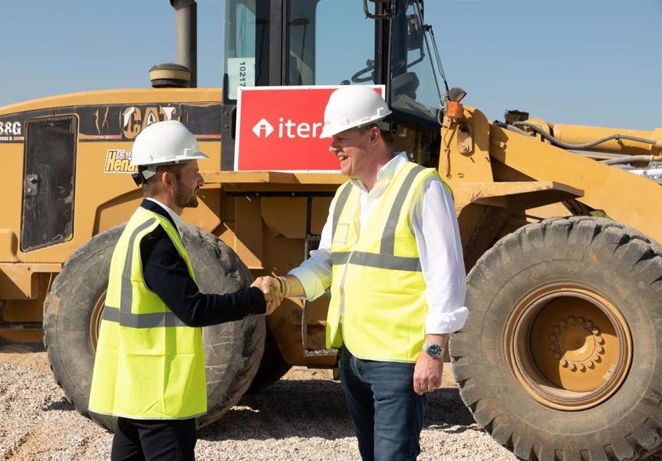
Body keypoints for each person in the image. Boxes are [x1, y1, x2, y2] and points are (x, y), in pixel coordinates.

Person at [274, 86, 468, 461]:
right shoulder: (346, 195)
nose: (333, 147)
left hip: (398, 360)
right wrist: (284, 286)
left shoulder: (422, 187)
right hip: (353, 357)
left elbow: (446, 274)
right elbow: (327, 263)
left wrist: (433, 350)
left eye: (341, 138)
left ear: (373, 134)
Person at [88, 120, 281, 461]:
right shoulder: (156, 237)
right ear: (168, 179)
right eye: (194, 171)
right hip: (161, 398)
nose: (201, 180)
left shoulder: (141, 227)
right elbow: (193, 309)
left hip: (137, 391)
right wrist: (255, 299)